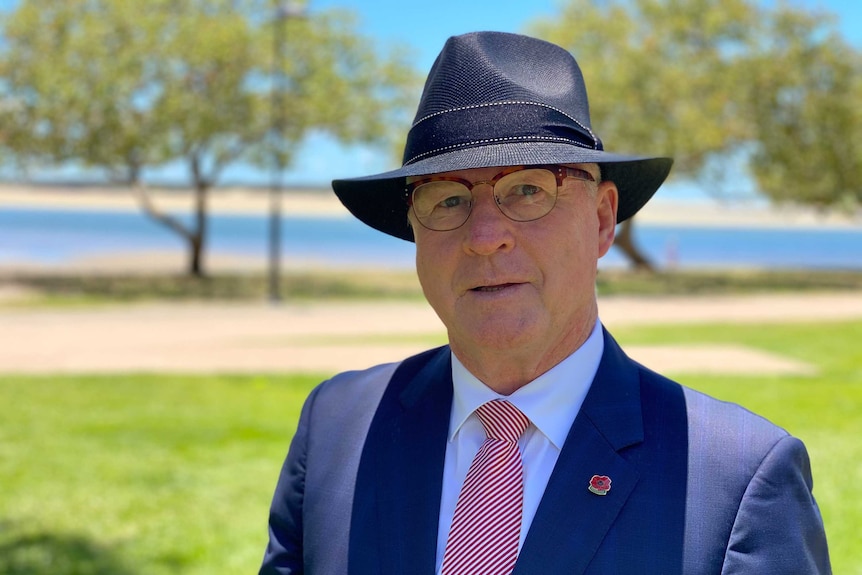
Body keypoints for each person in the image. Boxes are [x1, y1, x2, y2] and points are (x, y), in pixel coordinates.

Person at [259, 31, 830, 574]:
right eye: (447, 198)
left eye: (528, 189)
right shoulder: (337, 428)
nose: (485, 236)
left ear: (603, 220)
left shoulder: (737, 480)